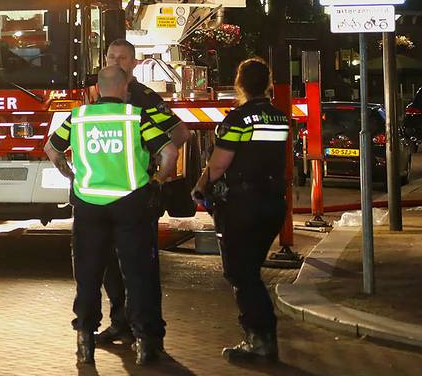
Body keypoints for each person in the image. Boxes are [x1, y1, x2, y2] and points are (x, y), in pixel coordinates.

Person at [44, 65, 180, 366]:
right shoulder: (135, 117)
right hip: (131, 204)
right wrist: (157, 182)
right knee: (138, 274)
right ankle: (145, 343)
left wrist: (71, 175)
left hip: (89, 206)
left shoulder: (78, 118)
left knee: (89, 275)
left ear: (98, 90)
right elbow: (170, 152)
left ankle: (85, 341)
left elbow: (52, 149)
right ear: (123, 88)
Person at [95, 39, 190, 347]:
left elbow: (180, 133)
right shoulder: (100, 96)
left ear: (134, 63)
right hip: (105, 197)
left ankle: (146, 332)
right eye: (111, 56)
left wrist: (155, 169)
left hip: (138, 195)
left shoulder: (143, 98)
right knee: (111, 266)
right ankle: (119, 322)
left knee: (141, 268)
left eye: (122, 58)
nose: (115, 61)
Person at [194, 58, 289, 362]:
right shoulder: (279, 118)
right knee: (250, 269)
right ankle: (262, 337)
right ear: (268, 83)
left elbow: (219, 165)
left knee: (240, 272)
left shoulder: (238, 119)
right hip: (273, 203)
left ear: (240, 83)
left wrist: (200, 188)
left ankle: (260, 339)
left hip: (243, 205)